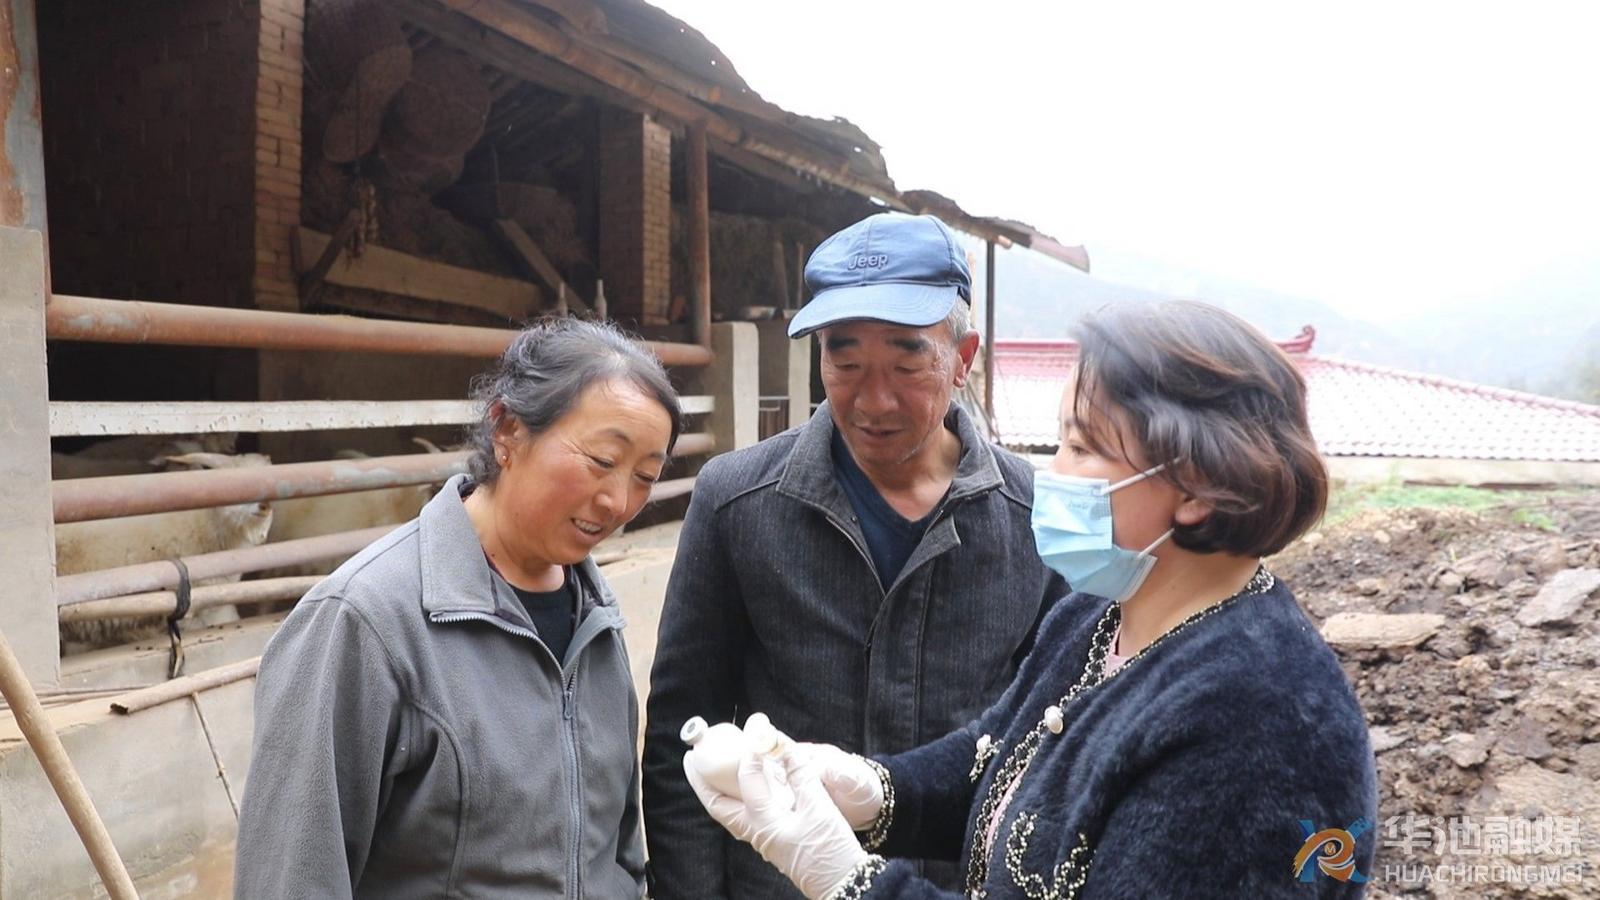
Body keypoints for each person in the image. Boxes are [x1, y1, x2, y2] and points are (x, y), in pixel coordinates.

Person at [687, 300, 1380, 899]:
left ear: (1199, 486)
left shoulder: (1261, 722)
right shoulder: (1096, 616)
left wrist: (848, 878)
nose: (1055, 473)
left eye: (1082, 446)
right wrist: (869, 788)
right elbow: (996, 757)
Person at [643, 212, 1067, 898]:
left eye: (907, 363)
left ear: (963, 358)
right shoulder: (736, 502)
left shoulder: (1038, 519)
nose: (874, 400)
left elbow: (1052, 738)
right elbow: (679, 736)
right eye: (845, 363)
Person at [234, 318, 679, 898]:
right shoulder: (365, 621)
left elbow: (617, 854)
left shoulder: (595, 617)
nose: (619, 500)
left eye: (645, 476)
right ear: (507, 430)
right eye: (601, 460)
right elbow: (292, 878)